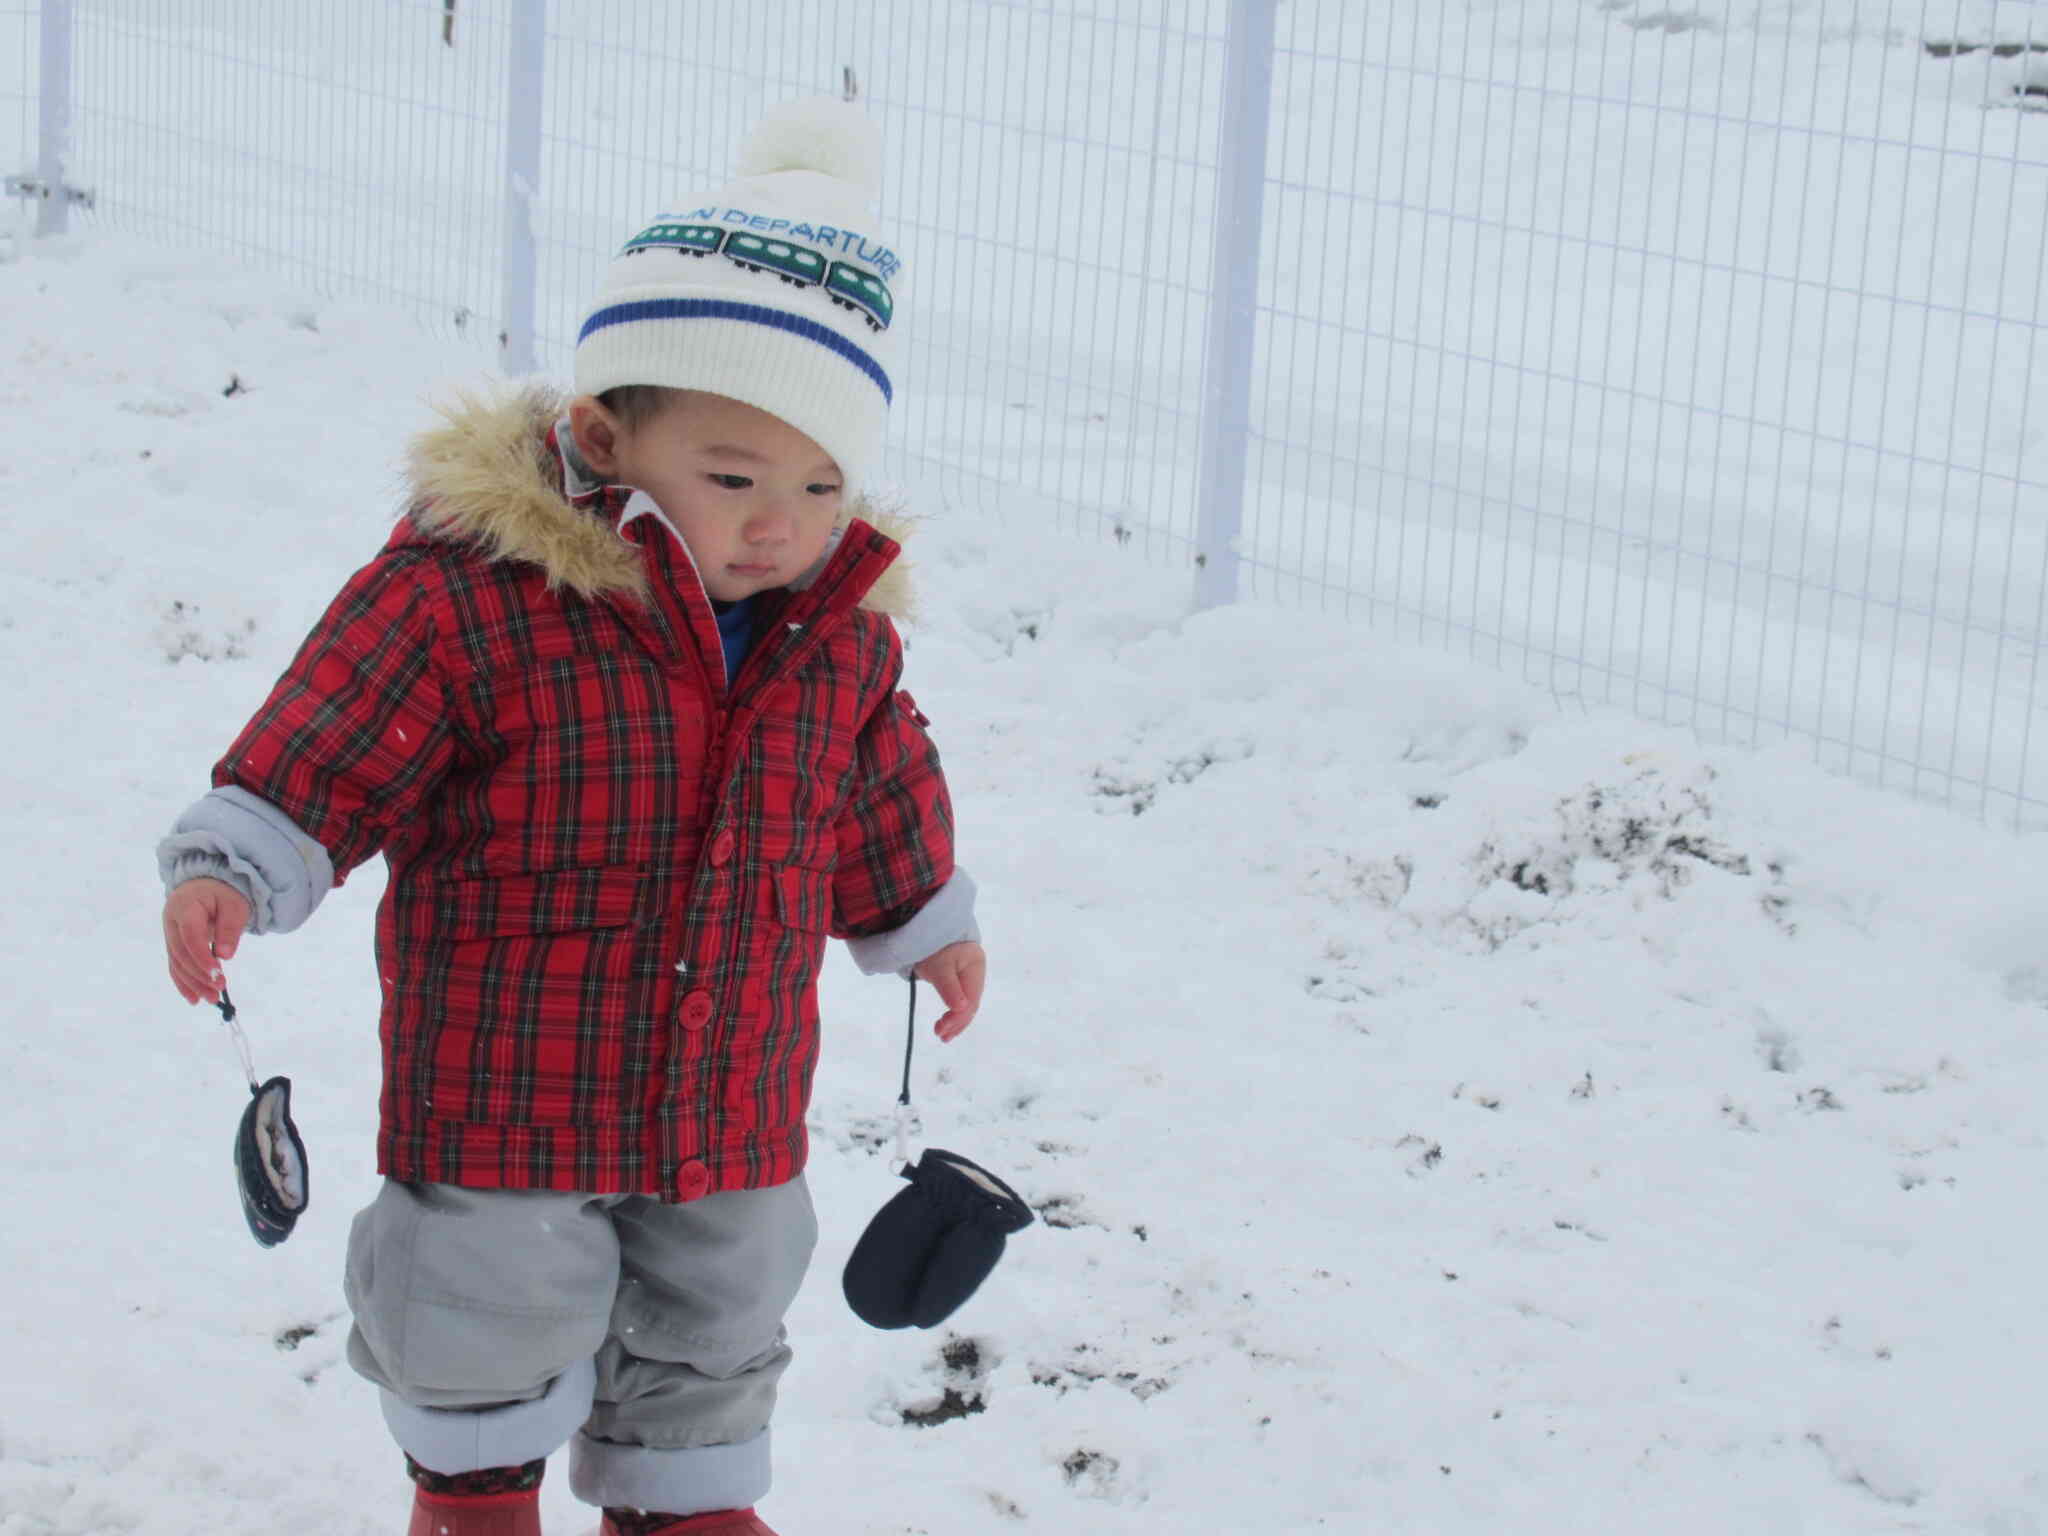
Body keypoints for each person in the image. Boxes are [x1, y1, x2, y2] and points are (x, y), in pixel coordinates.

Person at [156, 97, 982, 1536]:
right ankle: (474, 1496)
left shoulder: (837, 631)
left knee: (722, 1286)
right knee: (484, 1289)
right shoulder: (478, 592)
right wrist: (242, 860)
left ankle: (685, 1502)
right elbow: (340, 735)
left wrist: (921, 920)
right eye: (732, 480)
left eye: (820, 485)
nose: (778, 526)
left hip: (730, 1078)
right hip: (506, 1075)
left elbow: (877, 773)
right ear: (605, 435)